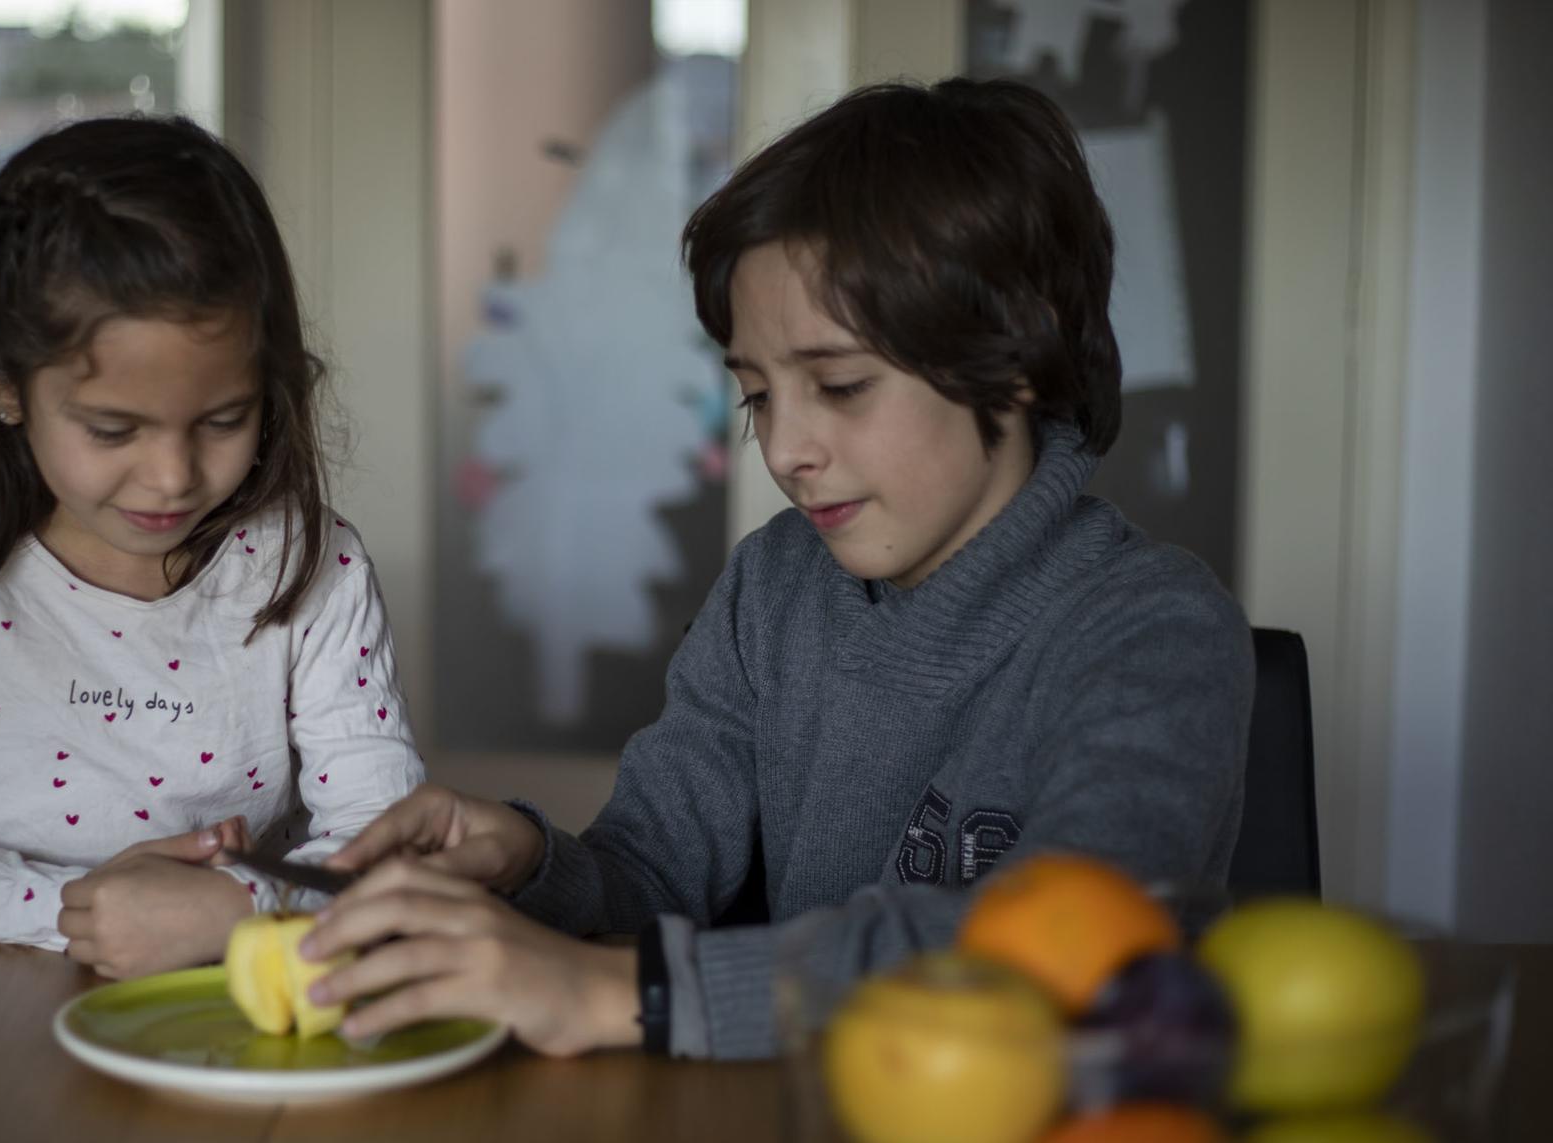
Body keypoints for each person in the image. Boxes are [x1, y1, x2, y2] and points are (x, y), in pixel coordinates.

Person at [299, 78, 1254, 1060]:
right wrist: (535, 858)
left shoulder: (1152, 632)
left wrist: (616, 993)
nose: (785, 449)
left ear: (1012, 359)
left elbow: (1073, 955)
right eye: (756, 395)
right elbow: (657, 869)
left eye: (838, 385)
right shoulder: (773, 588)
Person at [0, 116, 422, 980]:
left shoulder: (313, 566)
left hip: (241, 1008)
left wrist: (235, 914)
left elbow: (388, 842)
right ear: (1, 383)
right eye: (112, 428)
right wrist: (85, 912)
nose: (171, 477)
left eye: (222, 420)